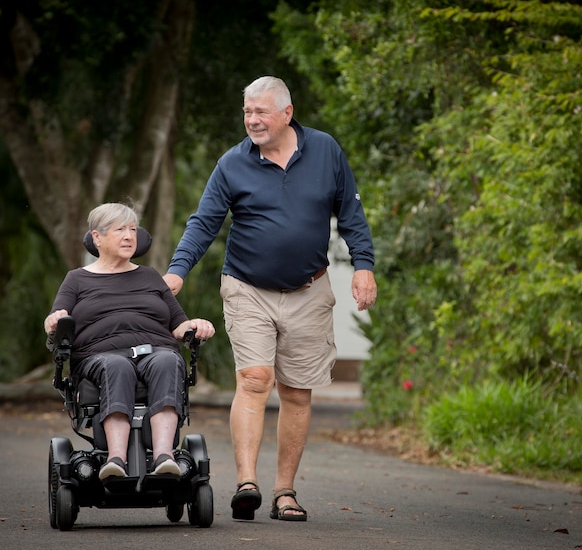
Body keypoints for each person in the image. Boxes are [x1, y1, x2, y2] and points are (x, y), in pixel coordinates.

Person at [163, 76, 377, 522]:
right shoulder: (232, 164)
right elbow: (204, 222)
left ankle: (285, 492)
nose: (252, 120)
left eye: (260, 112)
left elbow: (351, 213)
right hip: (247, 287)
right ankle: (247, 483)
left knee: (297, 392)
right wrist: (177, 271)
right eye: (247, 112)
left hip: (309, 289)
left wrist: (363, 266)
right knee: (256, 379)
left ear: (286, 113)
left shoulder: (325, 151)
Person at [44, 202, 216, 482]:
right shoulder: (77, 280)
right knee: (116, 366)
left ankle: (164, 457)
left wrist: (196, 325)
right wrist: (54, 320)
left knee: (168, 360)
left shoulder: (149, 276)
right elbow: (55, 318)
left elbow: (177, 323)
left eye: (133, 230)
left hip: (154, 350)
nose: (129, 236)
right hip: (99, 356)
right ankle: (115, 459)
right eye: (120, 230)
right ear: (97, 237)